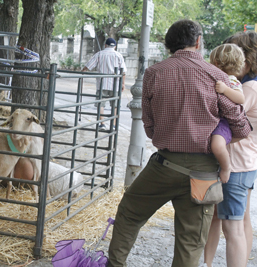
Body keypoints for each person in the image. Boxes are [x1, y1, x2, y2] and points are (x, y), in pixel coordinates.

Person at [107, 19, 252, 267]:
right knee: (190, 242)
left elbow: (149, 127)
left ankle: (115, 264)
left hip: (163, 166)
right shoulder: (216, 76)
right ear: (198, 42)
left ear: (168, 45)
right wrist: (218, 139)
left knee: (129, 214)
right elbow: (240, 125)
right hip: (204, 174)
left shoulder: (154, 73)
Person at [203, 31, 257, 267]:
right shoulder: (247, 85)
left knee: (232, 226)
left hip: (235, 163)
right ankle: (207, 262)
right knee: (238, 219)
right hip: (246, 161)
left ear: (246, 58)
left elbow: (233, 118)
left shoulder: (249, 89)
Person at [209, 44, 245, 183]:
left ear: (216, 63)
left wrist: (225, 90)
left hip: (223, 123)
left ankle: (226, 167)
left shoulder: (231, 81)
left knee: (217, 145)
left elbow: (241, 98)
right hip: (213, 118)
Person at [81, 37, 127, 131]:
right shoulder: (118, 55)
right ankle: (113, 125)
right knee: (114, 105)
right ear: (115, 46)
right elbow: (123, 71)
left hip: (102, 84)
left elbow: (89, 65)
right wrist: (123, 83)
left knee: (100, 104)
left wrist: (83, 71)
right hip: (115, 84)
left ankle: (102, 124)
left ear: (105, 45)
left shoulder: (99, 54)